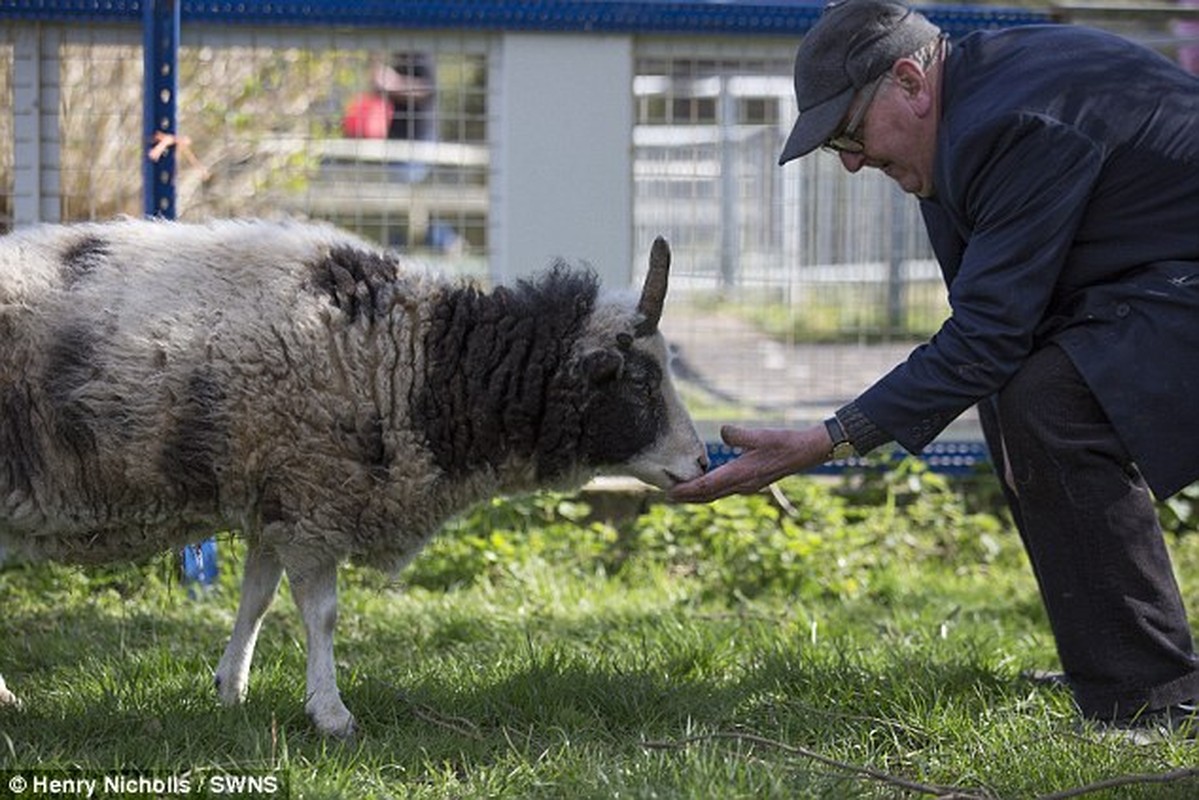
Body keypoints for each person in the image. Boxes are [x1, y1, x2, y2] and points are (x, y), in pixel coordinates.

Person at [669, 0, 1199, 737]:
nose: (851, 160)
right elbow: (987, 337)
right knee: (1022, 391)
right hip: (1160, 276)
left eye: (848, 133)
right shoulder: (957, 119)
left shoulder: (1009, 123)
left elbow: (982, 335)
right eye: (835, 148)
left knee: (1051, 400)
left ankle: (1148, 699)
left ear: (910, 80)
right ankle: (1122, 673)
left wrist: (825, 439)